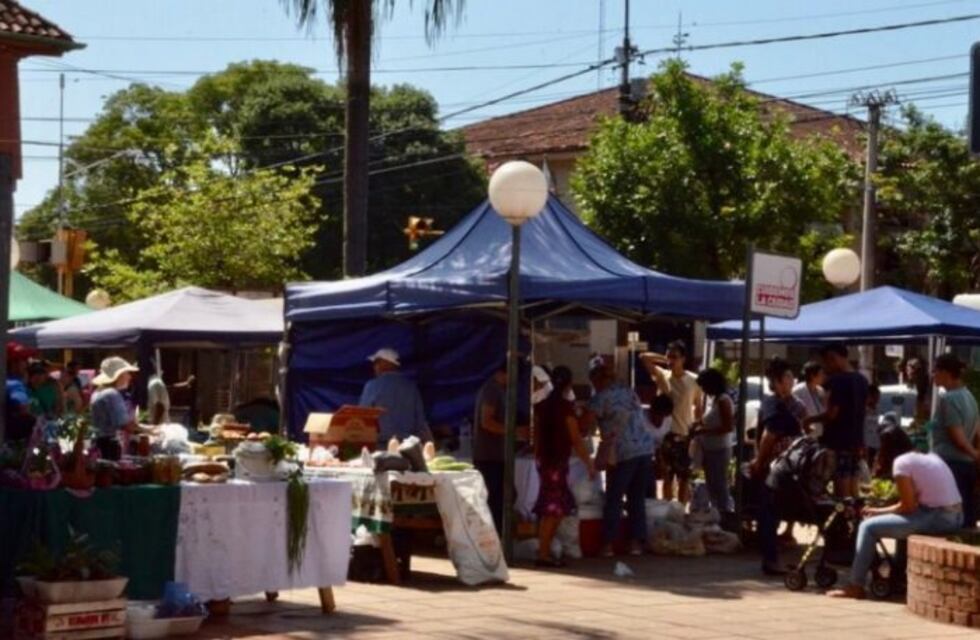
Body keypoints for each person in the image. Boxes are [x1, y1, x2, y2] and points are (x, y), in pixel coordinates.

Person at [828, 426, 963, 599]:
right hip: (956, 516)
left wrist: (877, 512)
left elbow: (908, 507)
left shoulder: (901, 463)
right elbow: (912, 504)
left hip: (938, 517)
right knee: (901, 523)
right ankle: (899, 577)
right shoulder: (929, 456)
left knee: (867, 527)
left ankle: (856, 585)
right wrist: (880, 511)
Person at [588, 364, 655, 557]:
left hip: (622, 451)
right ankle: (636, 544)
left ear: (598, 380)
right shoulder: (629, 392)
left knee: (614, 497)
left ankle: (608, 544)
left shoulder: (600, 398)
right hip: (645, 448)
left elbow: (586, 425)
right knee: (636, 497)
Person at [751, 357, 808, 576]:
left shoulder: (796, 404)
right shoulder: (772, 403)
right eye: (787, 377)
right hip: (775, 466)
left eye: (792, 376)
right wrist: (759, 462)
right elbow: (769, 436)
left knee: (775, 510)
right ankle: (770, 559)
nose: (792, 380)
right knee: (769, 512)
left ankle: (773, 554)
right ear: (776, 381)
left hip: (791, 465)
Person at [533, 366, 595, 568]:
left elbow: (536, 437)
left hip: (544, 461)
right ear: (569, 384)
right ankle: (543, 553)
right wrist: (589, 463)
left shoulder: (541, 406)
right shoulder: (566, 409)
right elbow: (576, 439)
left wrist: (537, 458)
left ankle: (544, 550)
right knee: (554, 509)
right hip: (556, 462)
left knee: (553, 508)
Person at [803, 343, 868, 498]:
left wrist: (809, 420)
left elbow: (832, 414)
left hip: (839, 442)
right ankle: (856, 513)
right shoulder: (862, 380)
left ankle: (845, 513)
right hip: (856, 441)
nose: (826, 366)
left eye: (827, 361)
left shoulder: (838, 380)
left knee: (841, 492)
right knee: (853, 488)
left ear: (834, 357)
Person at [641, 341, 701, 504]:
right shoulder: (662, 375)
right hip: (665, 436)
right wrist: (665, 359)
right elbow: (644, 357)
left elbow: (698, 407)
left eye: (675, 357)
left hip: (684, 435)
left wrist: (696, 431)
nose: (671, 360)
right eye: (669, 356)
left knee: (684, 479)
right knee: (666, 477)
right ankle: (667, 509)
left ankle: (681, 511)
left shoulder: (694, 380)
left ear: (684, 359)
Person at [473, 363, 529, 533]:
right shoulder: (491, 390)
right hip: (489, 456)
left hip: (497, 455)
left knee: (506, 496)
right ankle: (493, 535)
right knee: (496, 500)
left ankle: (497, 534)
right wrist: (513, 430)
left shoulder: (500, 391)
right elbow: (486, 422)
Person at [928, 353, 979, 528]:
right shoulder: (969, 396)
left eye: (935, 370)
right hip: (966, 465)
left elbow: (957, 437)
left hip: (950, 465)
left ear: (945, 372)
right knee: (966, 515)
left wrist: (975, 454)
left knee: (952, 519)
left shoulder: (948, 399)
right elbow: (977, 431)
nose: (932, 374)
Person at [358, 348, 432, 445]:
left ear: (385, 363)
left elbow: (362, 417)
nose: (374, 366)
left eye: (376, 362)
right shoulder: (411, 386)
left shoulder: (372, 386)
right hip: (408, 445)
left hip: (382, 445)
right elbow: (421, 422)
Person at [691, 369, 734, 514]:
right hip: (710, 449)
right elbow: (711, 420)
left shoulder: (723, 400)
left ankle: (724, 513)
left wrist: (703, 431)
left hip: (719, 450)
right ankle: (716, 512)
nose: (703, 390)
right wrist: (698, 423)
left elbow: (728, 427)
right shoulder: (714, 400)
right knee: (712, 485)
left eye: (704, 386)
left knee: (719, 485)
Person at [90, 357, 140, 461]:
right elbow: (126, 425)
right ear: (119, 375)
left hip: (98, 443)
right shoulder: (112, 394)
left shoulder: (97, 392)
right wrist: (151, 431)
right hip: (108, 445)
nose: (129, 377)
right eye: (127, 373)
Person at [5, 342, 39, 442]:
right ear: (13, 363)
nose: (27, 364)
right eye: (24, 359)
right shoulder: (15, 384)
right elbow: (23, 407)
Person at [864, 385, 882, 466]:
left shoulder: (877, 408)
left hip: (875, 442)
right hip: (866, 442)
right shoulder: (863, 409)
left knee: (872, 464)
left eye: (878, 397)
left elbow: (876, 424)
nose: (877, 400)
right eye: (875, 397)